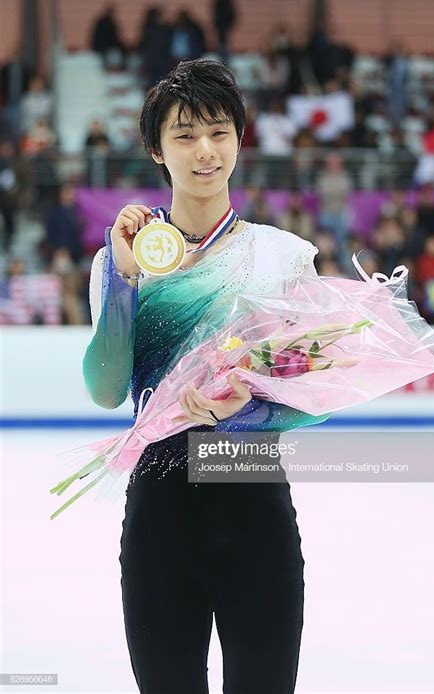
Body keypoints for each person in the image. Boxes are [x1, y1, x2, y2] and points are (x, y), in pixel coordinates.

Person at [83, 58, 327, 694]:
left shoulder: (284, 256)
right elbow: (107, 391)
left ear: (239, 140)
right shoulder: (122, 258)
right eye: (185, 134)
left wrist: (252, 406)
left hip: (253, 501)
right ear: (155, 149)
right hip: (161, 509)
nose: (205, 151)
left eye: (219, 132)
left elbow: (313, 393)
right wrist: (124, 281)